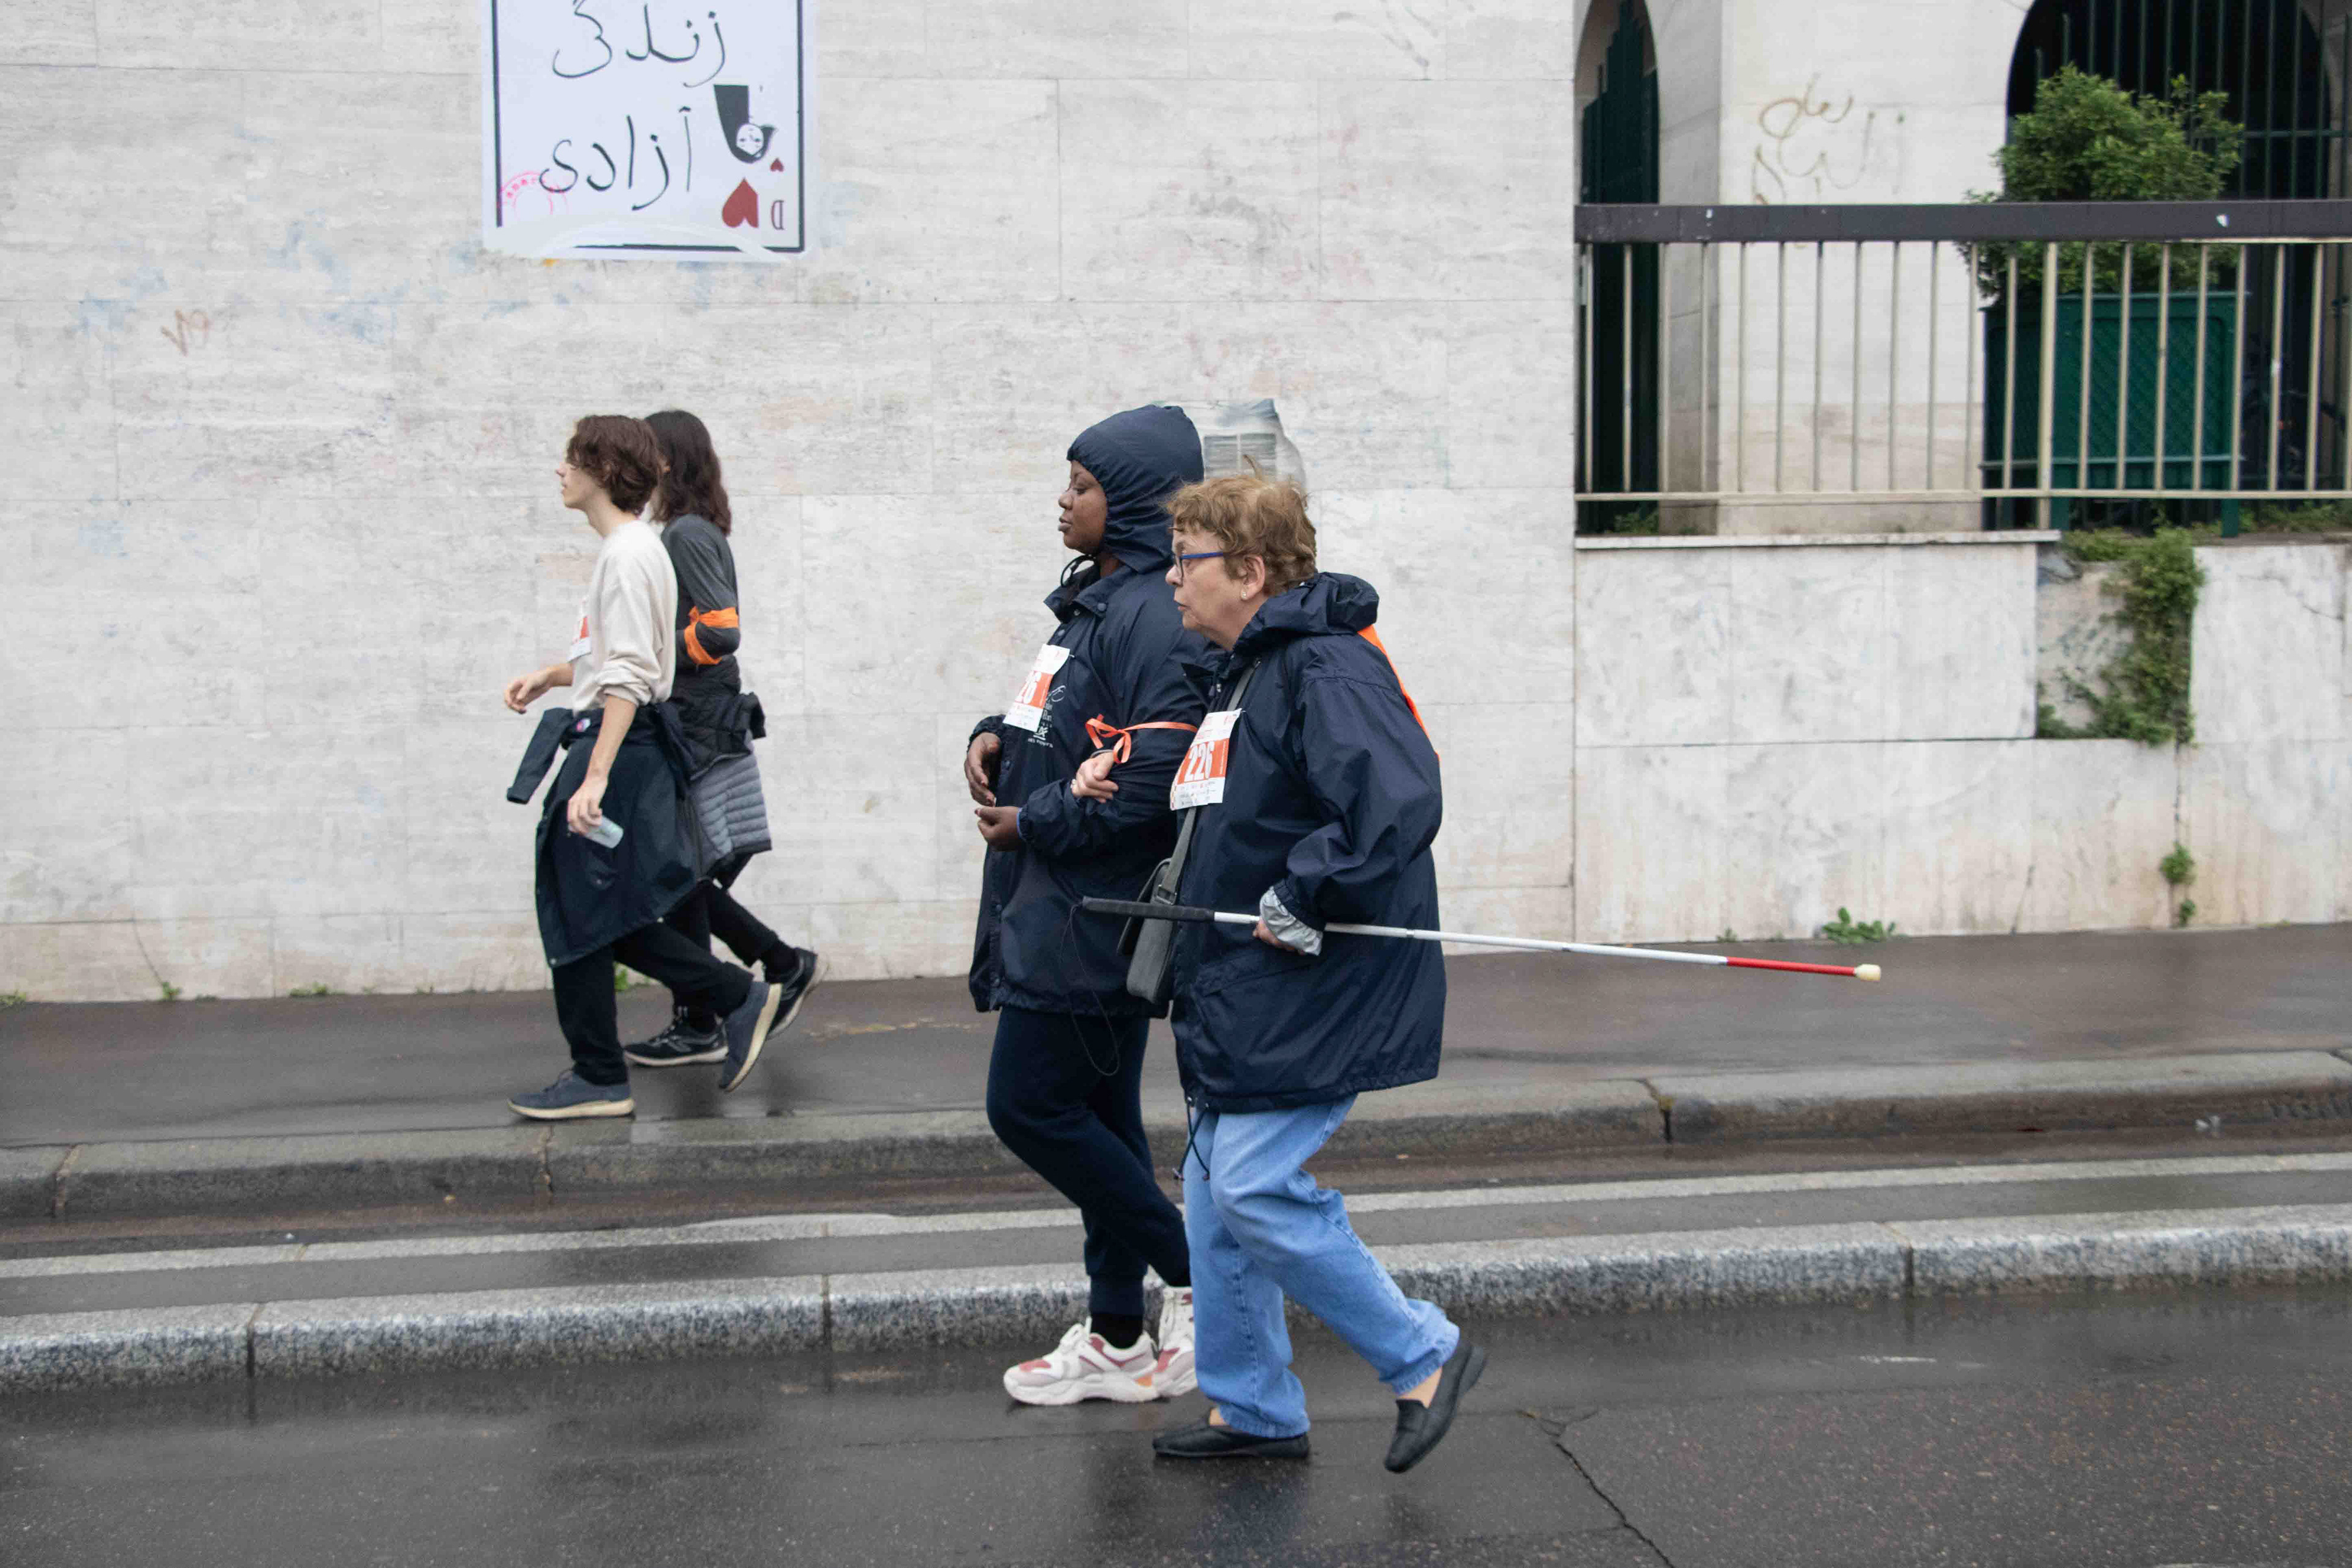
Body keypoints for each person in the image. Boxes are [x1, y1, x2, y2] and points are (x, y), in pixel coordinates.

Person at [1075, 471, 1485, 1471]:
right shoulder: (1247, 672)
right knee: (1215, 1193)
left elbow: (1395, 801)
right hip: (1246, 982)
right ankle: (1253, 1405)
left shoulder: (1323, 665)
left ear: (1252, 571)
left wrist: (1304, 892)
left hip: (1316, 979)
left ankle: (1425, 1354)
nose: (1173, 579)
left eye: (1190, 560)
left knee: (1254, 1186)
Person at [963, 405, 1212, 1406]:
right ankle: (1115, 1334)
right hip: (1058, 902)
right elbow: (1072, 728)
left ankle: (1196, 1273)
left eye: (1083, 485)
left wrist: (1035, 821)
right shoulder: (1095, 604)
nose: (1063, 501)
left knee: (1027, 1107)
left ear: (1136, 497)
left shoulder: (1152, 611)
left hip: (1090, 914)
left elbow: (1150, 777)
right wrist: (995, 734)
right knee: (1102, 1121)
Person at [500, 416, 786, 1119]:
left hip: (617, 746)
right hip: (622, 741)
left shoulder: (630, 555)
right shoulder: (634, 549)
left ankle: (610, 1067)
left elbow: (631, 673)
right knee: (602, 910)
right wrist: (555, 675)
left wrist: (596, 774)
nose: (561, 471)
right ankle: (708, 1010)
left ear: (603, 471)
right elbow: (624, 657)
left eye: (572, 459)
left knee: (582, 906)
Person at [621, 409, 823, 1072]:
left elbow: (721, 630)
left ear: (666, 461)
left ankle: (758, 979)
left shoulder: (686, 534)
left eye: (644, 453)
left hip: (698, 724)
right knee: (682, 871)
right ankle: (722, 1003)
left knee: (677, 871)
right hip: (694, 718)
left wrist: (655, 650)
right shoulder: (686, 530)